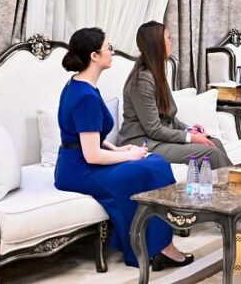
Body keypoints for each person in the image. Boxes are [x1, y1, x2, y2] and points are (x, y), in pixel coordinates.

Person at [54, 27, 194, 270]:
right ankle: (159, 246)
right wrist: (129, 155)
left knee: (154, 162)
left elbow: (90, 138)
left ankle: (157, 244)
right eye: (108, 47)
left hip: (77, 162)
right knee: (151, 167)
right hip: (79, 170)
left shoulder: (81, 86)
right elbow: (91, 154)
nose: (112, 51)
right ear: (94, 56)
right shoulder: (85, 96)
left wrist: (120, 150)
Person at [120, 21, 232, 169]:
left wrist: (188, 129)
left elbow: (168, 117)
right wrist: (191, 137)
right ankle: (236, 182)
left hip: (158, 139)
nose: (170, 42)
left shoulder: (156, 73)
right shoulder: (142, 80)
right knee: (210, 152)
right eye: (167, 38)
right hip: (144, 143)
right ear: (157, 44)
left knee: (214, 142)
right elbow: (154, 129)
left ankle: (235, 180)